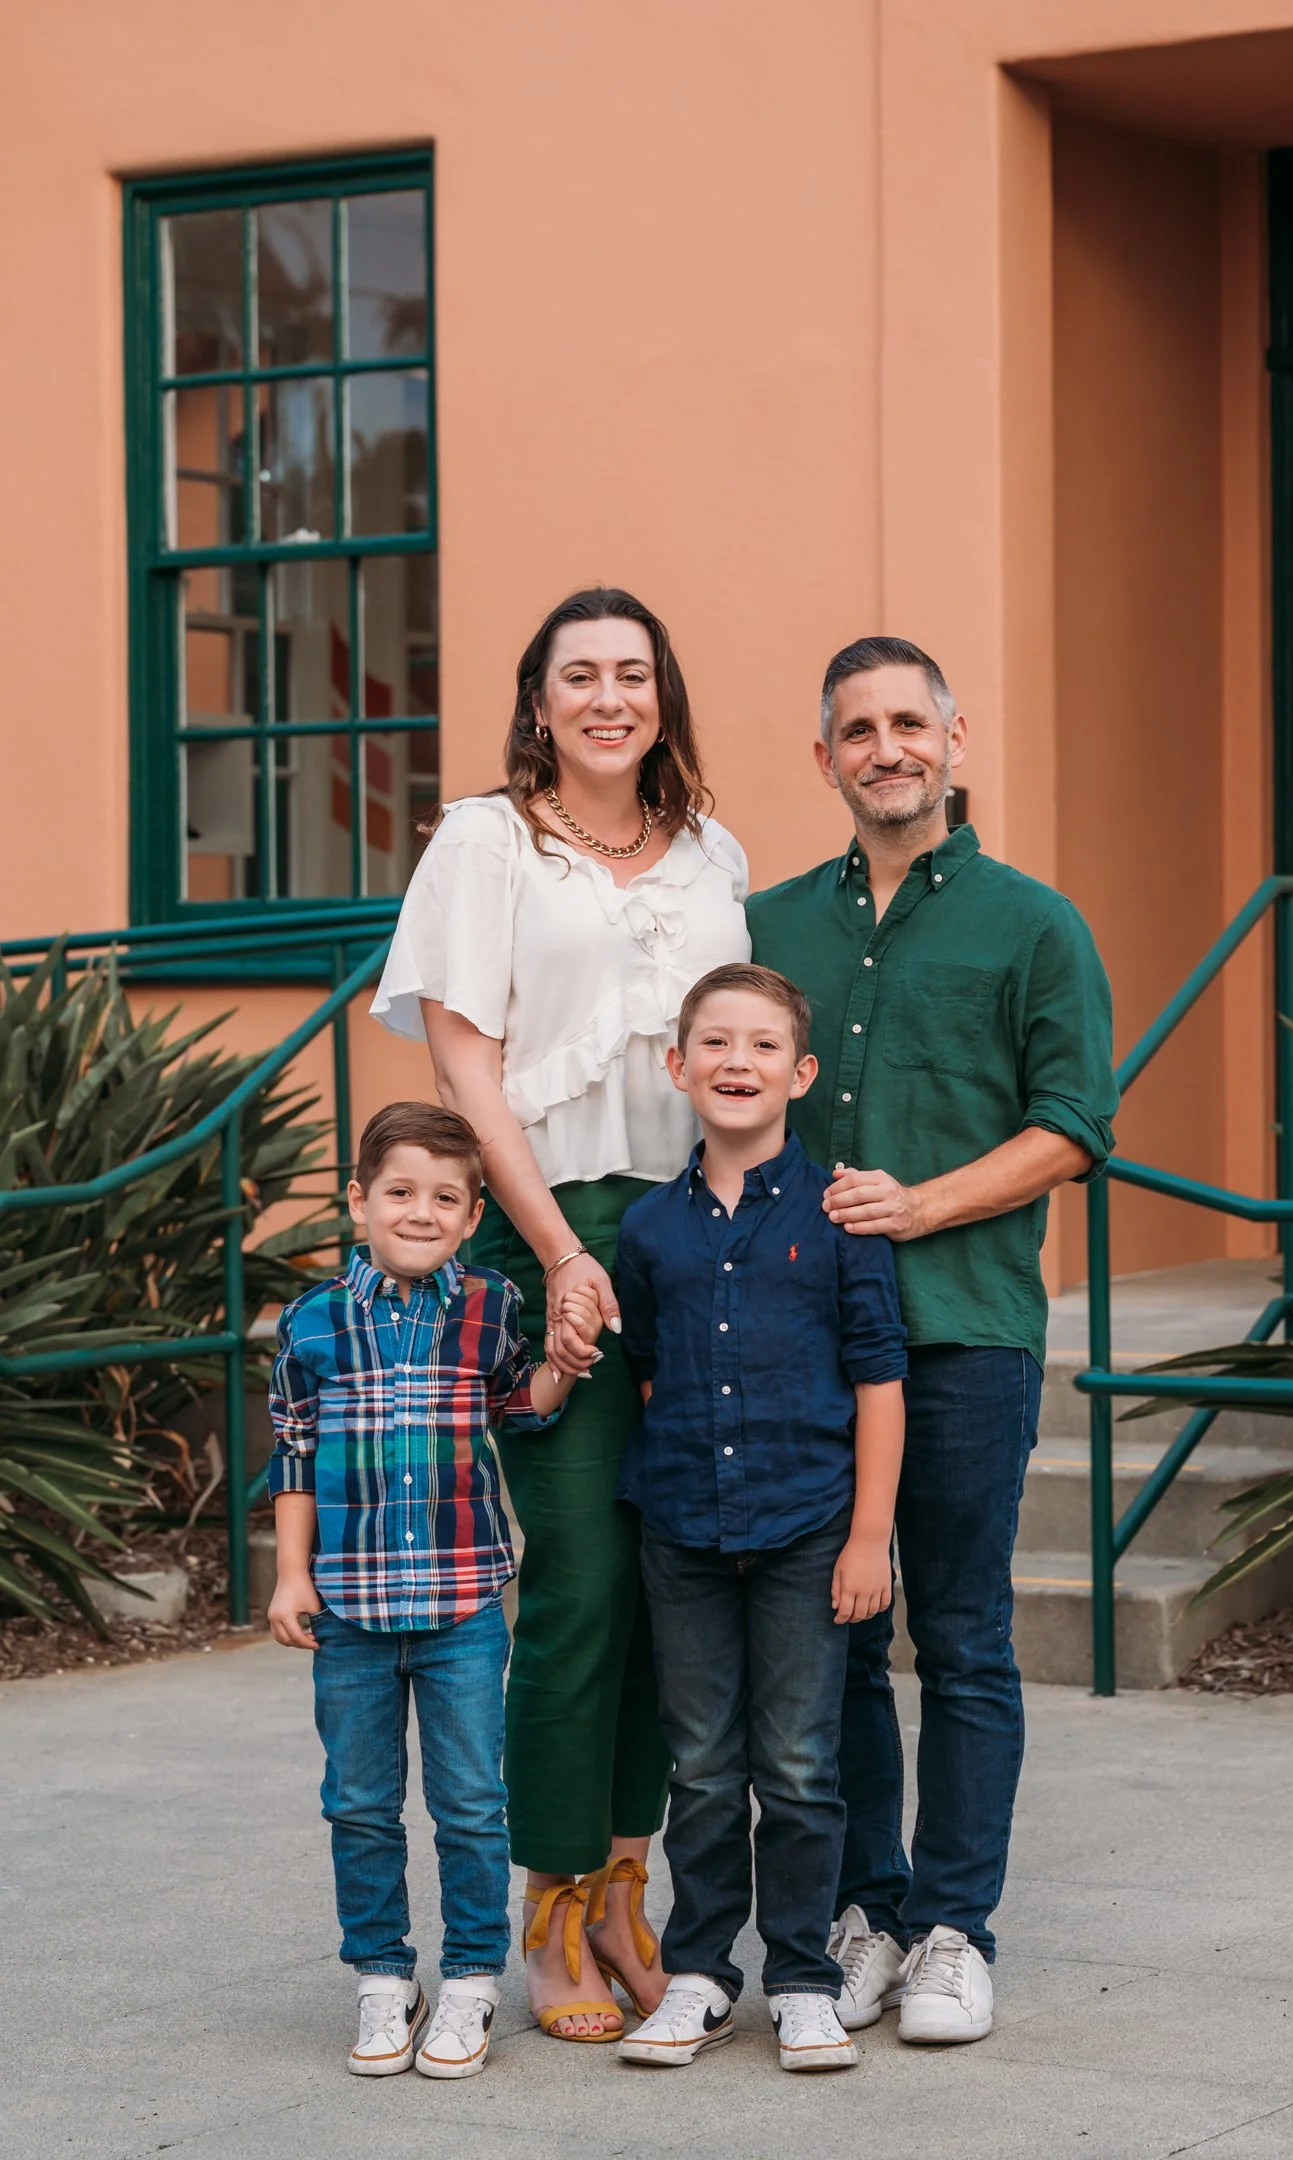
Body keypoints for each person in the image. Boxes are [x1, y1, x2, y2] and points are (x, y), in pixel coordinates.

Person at [371, 588, 750, 2040]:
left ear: (663, 697)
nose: (608, 697)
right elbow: (469, 1066)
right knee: (585, 1571)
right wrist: (557, 1256)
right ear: (537, 700)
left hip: (696, 1230)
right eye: (578, 676)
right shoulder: (487, 842)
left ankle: (625, 1883)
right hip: (559, 1224)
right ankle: (549, 1895)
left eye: (633, 675)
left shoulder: (713, 851)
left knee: (677, 1577)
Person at [747, 636, 1116, 2045]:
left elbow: (1074, 1126)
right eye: (858, 727)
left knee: (958, 1638)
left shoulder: (1034, 925)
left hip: (963, 1333)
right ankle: (865, 1914)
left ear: (956, 740)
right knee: (829, 1644)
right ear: (826, 754)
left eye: (910, 721)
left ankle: (957, 1928)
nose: (886, 746)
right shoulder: (771, 924)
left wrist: (920, 1206)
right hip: (798, 1351)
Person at [265, 1101, 605, 2075]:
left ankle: (469, 1981)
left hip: (462, 1609)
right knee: (361, 1802)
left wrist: (564, 1370)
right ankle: (381, 1978)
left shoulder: (491, 1303)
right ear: (359, 1199)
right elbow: (294, 1455)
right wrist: (293, 1578)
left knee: (468, 1803)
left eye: (445, 1197)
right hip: (350, 1611)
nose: (421, 1211)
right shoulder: (314, 1321)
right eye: (401, 1192)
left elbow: (519, 1405)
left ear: (471, 1212)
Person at [611, 963, 907, 2073]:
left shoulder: (838, 1216)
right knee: (698, 1762)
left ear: (802, 1072)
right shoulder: (648, 1229)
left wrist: (869, 1535)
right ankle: (696, 1973)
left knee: (796, 1764)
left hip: (807, 1531)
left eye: (764, 1046)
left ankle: (800, 1978)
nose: (739, 1063)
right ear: (677, 1065)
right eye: (716, 1044)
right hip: (682, 1528)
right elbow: (648, 1369)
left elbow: (879, 1377)